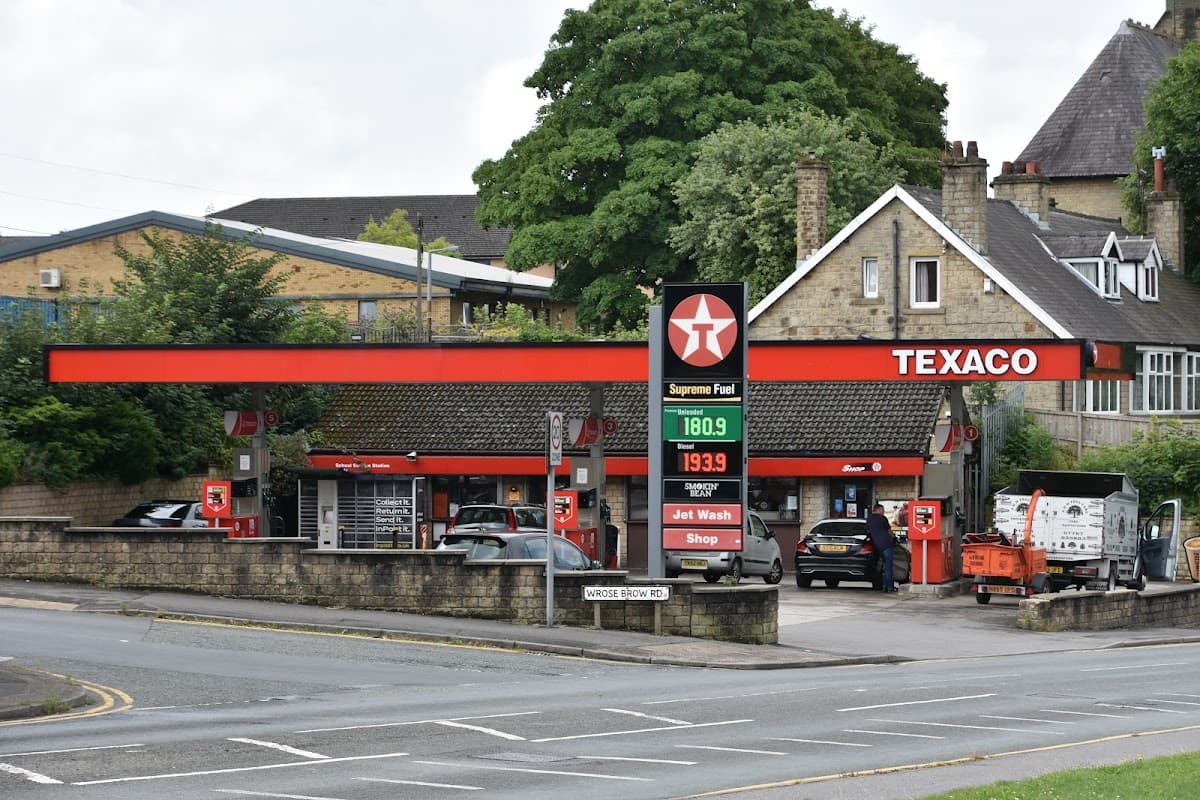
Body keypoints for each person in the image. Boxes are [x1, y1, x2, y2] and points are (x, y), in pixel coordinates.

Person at [867, 503, 896, 592]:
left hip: (877, 546)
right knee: (888, 567)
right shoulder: (882, 518)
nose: (883, 512)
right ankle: (890, 587)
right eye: (882, 510)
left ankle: (884, 586)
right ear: (878, 510)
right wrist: (894, 538)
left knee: (883, 567)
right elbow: (889, 532)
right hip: (886, 544)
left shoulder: (869, 519)